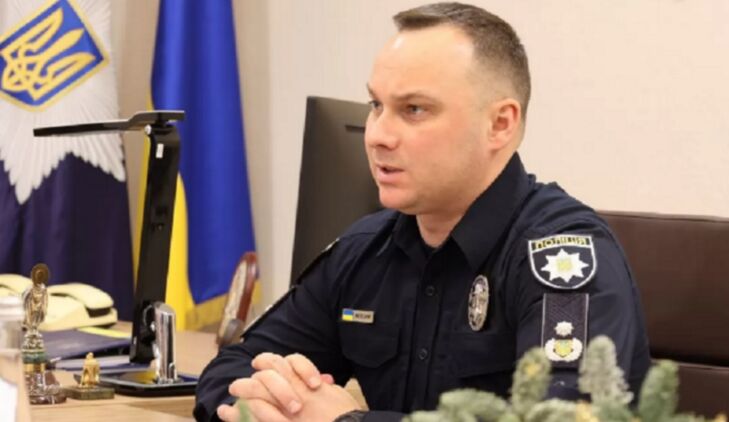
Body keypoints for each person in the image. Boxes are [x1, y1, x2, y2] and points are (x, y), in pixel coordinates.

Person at [194, 3, 651, 421]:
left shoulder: (562, 261)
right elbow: (230, 370)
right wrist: (270, 403)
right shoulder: (366, 251)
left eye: (413, 109)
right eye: (376, 105)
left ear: (500, 124)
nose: (377, 135)